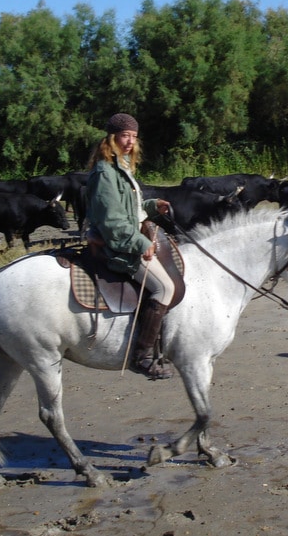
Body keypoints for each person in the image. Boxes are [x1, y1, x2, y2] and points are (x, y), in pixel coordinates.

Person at [86, 113, 175, 379]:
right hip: (118, 244)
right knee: (164, 287)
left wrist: (151, 206)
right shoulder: (104, 172)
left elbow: (129, 209)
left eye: (134, 137)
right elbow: (112, 220)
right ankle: (142, 356)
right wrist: (139, 242)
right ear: (111, 137)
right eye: (125, 135)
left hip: (128, 235)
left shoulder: (121, 166)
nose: (130, 141)